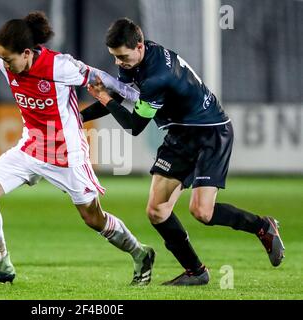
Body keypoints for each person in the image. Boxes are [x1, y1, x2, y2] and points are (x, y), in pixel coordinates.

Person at [82, 18, 285, 286]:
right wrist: (76, 117)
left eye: (122, 57)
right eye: (115, 58)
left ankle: (262, 226)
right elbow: (120, 96)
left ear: (139, 46)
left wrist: (103, 97)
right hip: (180, 134)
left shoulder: (157, 77)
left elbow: (134, 126)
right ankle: (196, 272)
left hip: (210, 132)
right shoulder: (138, 60)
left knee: (202, 212)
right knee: (157, 211)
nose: (119, 63)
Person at [0, 12, 155, 286]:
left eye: (9, 59)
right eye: (2, 58)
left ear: (27, 53)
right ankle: (2, 264)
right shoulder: (4, 64)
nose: (4, 64)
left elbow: (104, 79)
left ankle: (140, 253)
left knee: (93, 218)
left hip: (67, 154)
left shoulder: (60, 66)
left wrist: (141, 98)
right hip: (30, 148)